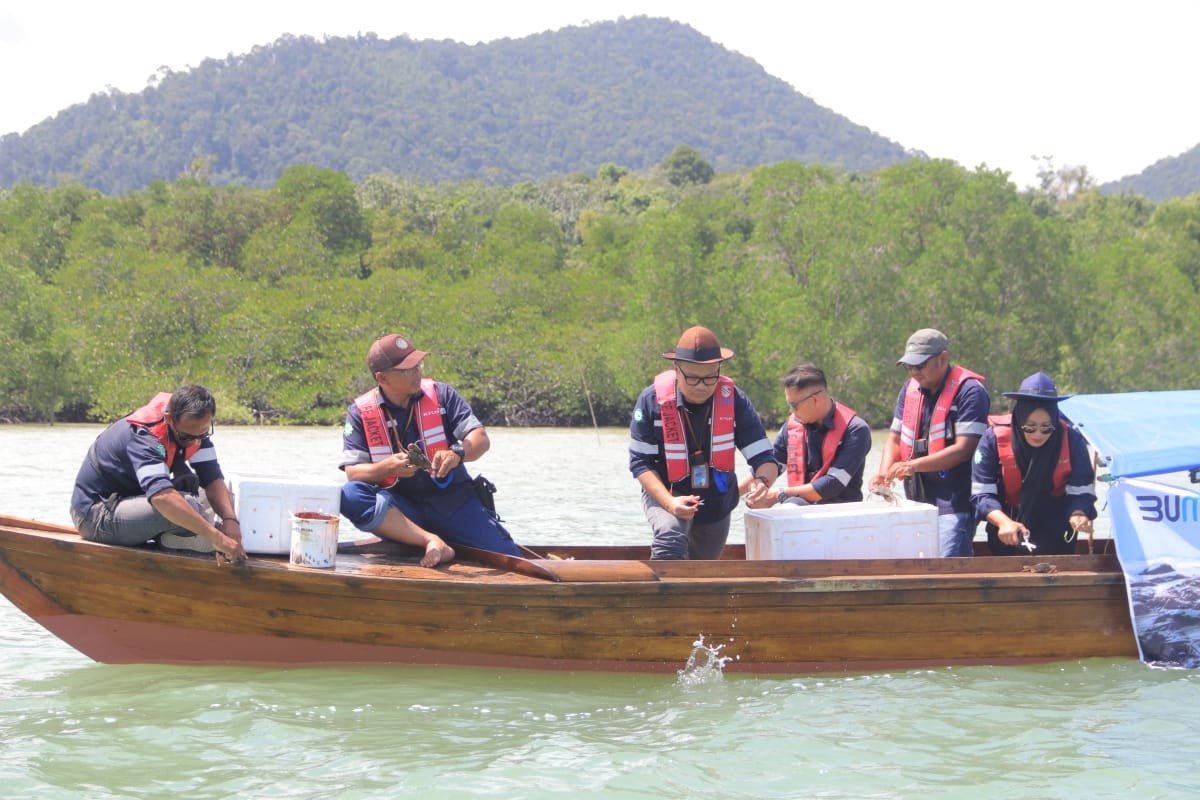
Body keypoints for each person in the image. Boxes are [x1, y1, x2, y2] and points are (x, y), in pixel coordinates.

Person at [339, 333, 520, 566]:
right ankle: (431, 540)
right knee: (350, 495)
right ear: (383, 378)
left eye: (417, 365)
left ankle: (445, 540)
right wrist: (388, 467)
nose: (417, 372)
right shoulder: (360, 412)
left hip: (454, 504)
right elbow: (354, 473)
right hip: (403, 513)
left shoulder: (442, 395)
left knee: (511, 559)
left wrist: (457, 453)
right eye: (407, 369)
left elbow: (480, 440)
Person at [629, 326, 779, 560]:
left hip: (717, 502)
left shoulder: (735, 400)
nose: (701, 386)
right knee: (670, 535)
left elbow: (765, 458)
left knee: (703, 568)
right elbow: (640, 463)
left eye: (710, 377)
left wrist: (762, 482)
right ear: (676, 369)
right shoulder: (651, 401)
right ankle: (662, 596)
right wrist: (670, 502)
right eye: (692, 377)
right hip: (668, 492)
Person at [70, 384, 246, 564]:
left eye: (203, 433)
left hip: (134, 503)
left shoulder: (195, 432)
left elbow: (212, 479)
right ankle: (178, 540)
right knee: (189, 505)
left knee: (221, 498)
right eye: (187, 438)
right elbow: (161, 498)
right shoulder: (144, 437)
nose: (195, 442)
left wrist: (230, 521)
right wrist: (216, 536)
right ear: (169, 419)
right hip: (95, 516)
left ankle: (188, 537)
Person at [869, 328, 990, 556]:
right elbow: (894, 439)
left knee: (948, 564)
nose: (914, 372)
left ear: (943, 358)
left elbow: (965, 450)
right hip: (917, 499)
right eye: (909, 366)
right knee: (918, 565)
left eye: (920, 365)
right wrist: (883, 474)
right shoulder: (909, 389)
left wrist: (912, 465)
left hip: (955, 501)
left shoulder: (971, 392)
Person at [971, 372, 1097, 555]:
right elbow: (981, 495)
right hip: (1007, 532)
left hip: (1057, 533)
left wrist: (1078, 513)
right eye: (1030, 427)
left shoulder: (1072, 439)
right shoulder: (992, 439)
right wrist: (1003, 522)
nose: (1038, 434)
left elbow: (1083, 490)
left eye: (1046, 428)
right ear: (1020, 418)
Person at [744, 363, 872, 509]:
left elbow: (832, 484)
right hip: (798, 505)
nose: (791, 412)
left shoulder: (856, 430)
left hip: (840, 513)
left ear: (815, 400)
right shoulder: (793, 426)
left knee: (788, 508)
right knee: (786, 509)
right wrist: (758, 486)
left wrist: (779, 494)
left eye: (794, 405)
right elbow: (773, 463)